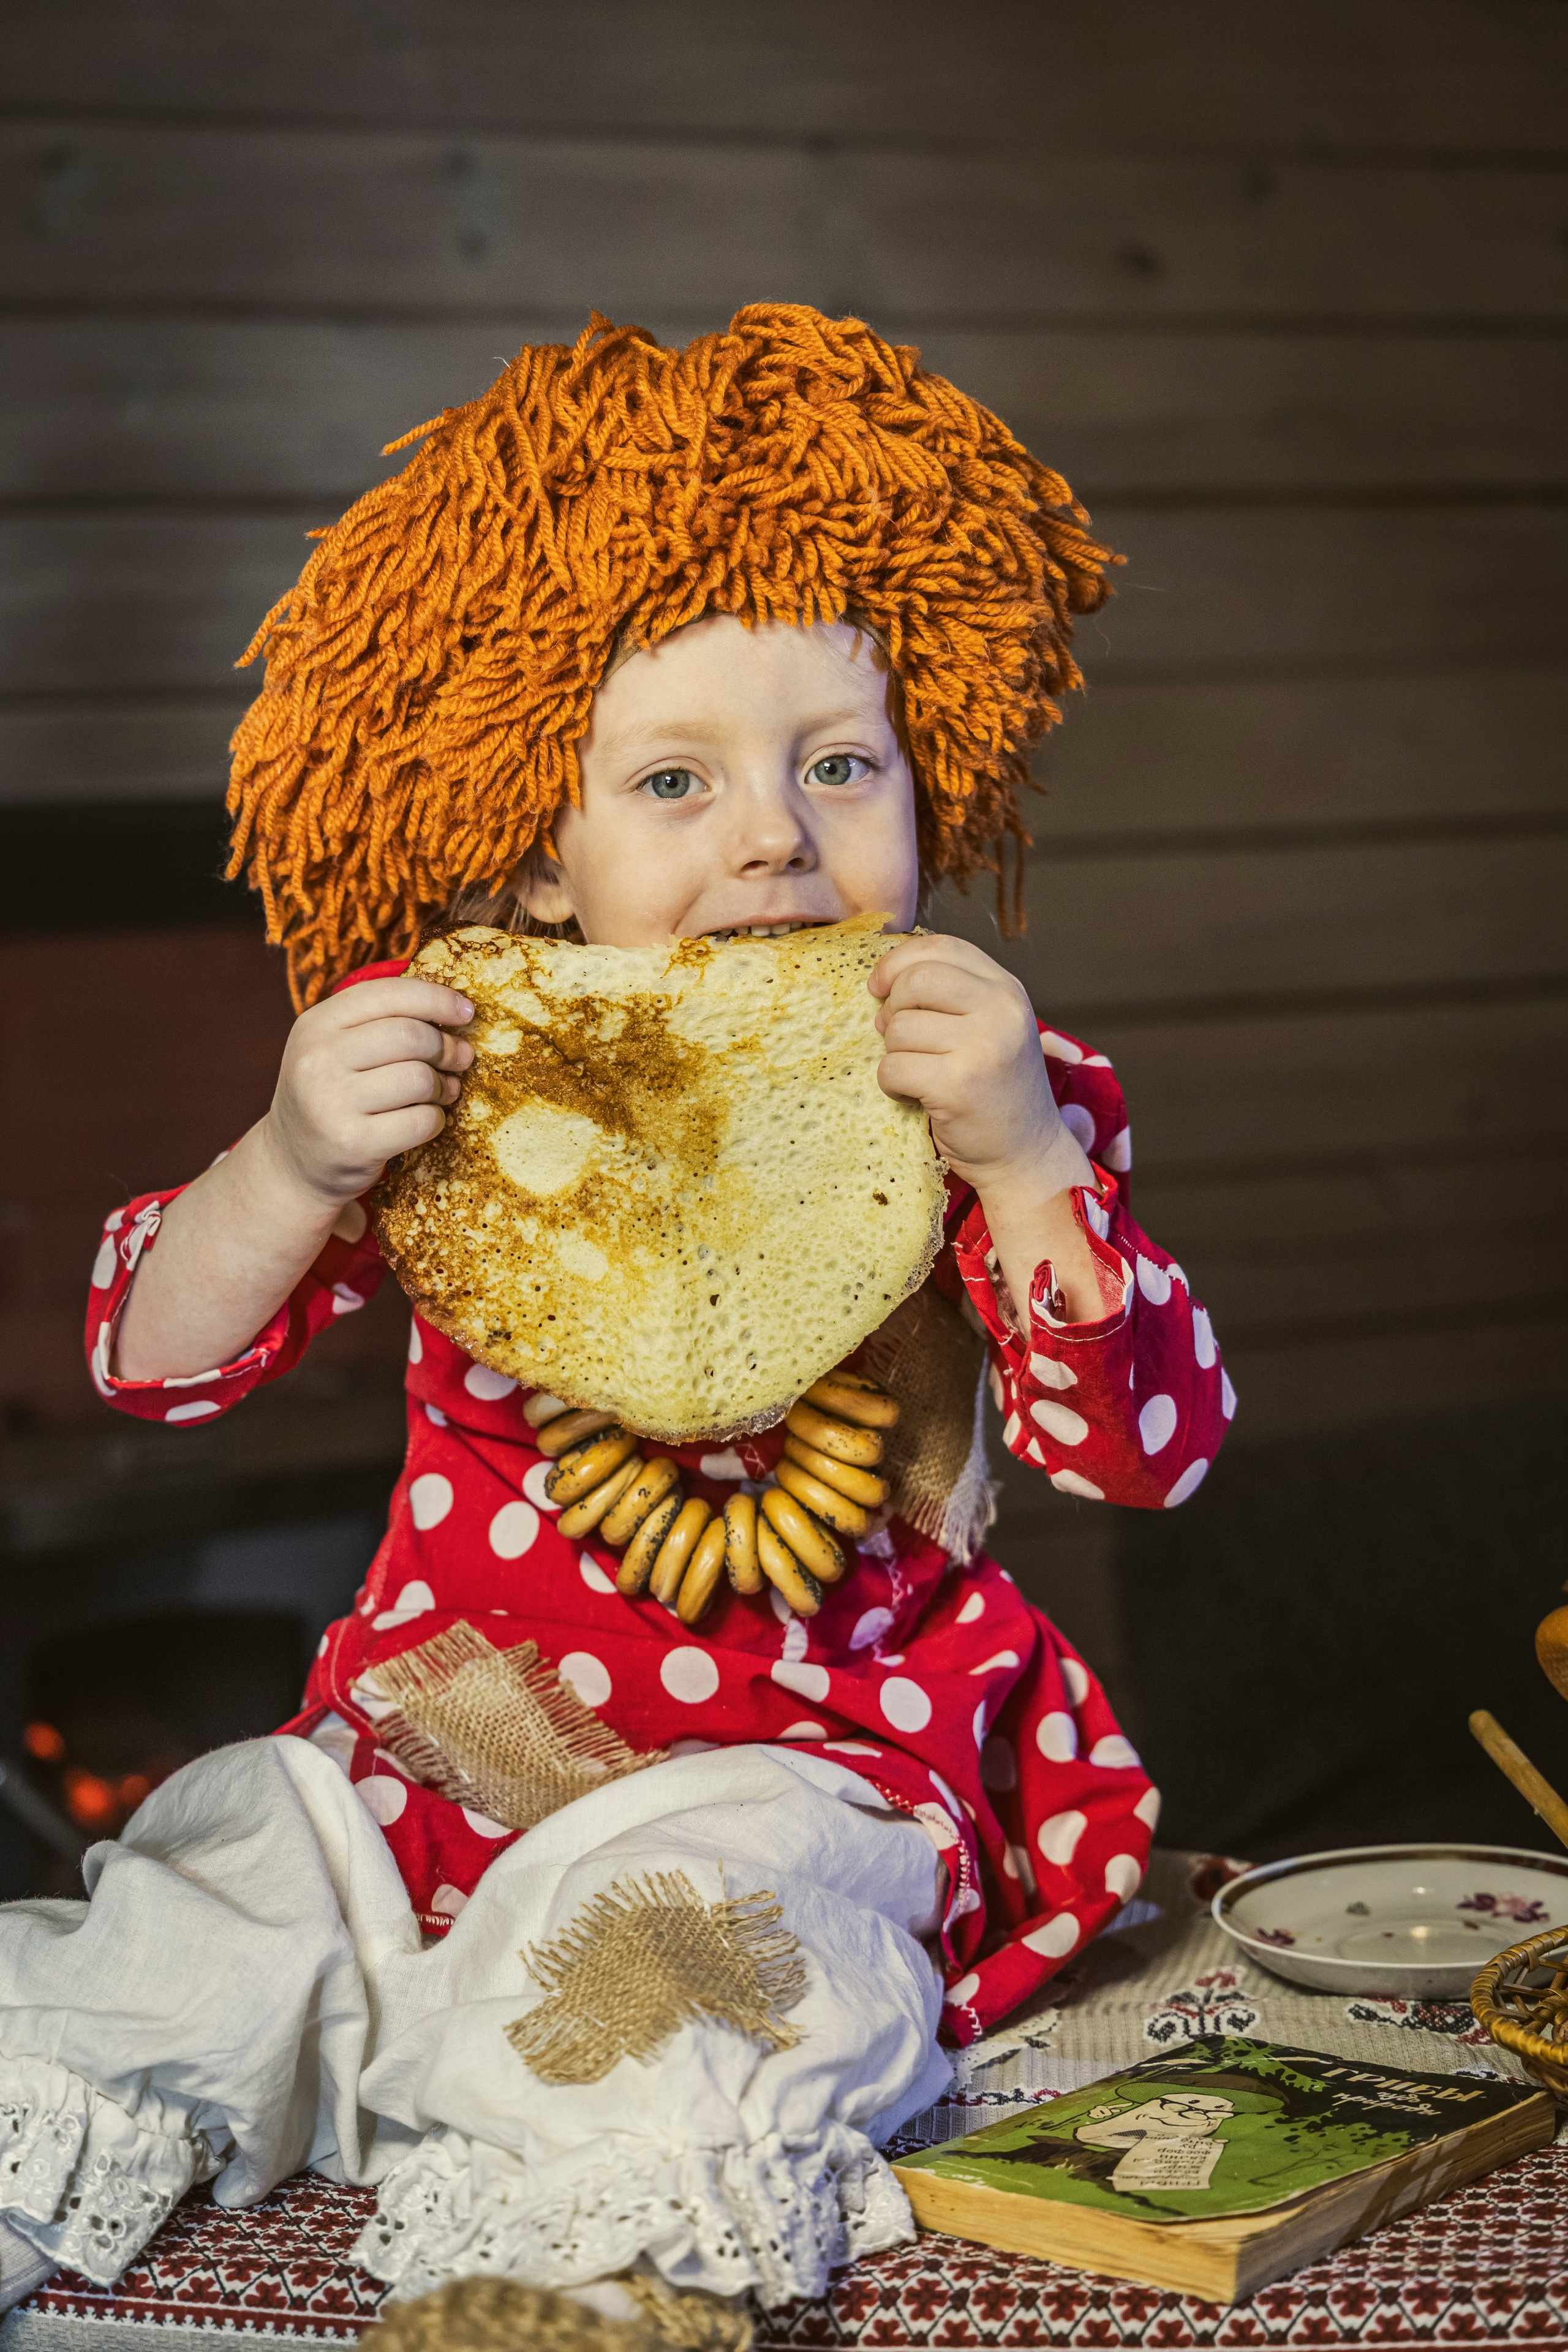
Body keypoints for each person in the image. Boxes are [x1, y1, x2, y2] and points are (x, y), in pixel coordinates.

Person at [4, 307, 1232, 2328]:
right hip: (439, 1752)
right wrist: (290, 1164)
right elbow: (148, 1363)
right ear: (542, 859)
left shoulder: (985, 1082)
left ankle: (600, 2279)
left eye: (842, 767)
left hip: (810, 1768)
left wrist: (1021, 1161)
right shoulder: (455, 1079)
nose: (775, 831)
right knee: (200, 1897)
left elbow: (1148, 1455)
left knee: (694, 1952)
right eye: (677, 779)